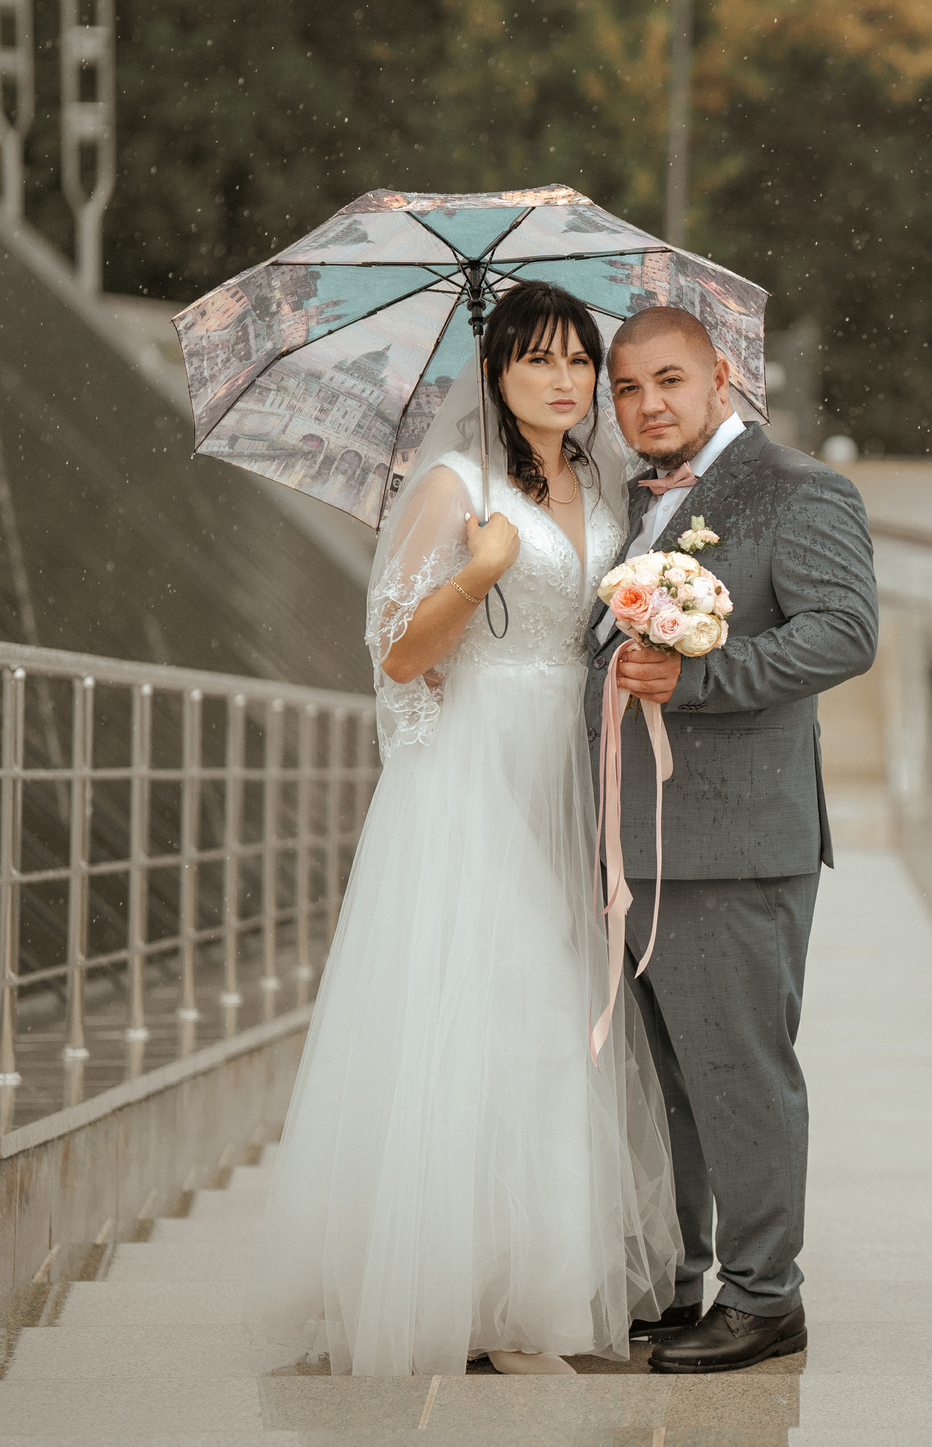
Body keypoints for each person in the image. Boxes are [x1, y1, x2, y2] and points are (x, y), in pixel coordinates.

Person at [253, 282, 678, 1377]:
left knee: (569, 1016)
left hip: (577, 765)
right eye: (538, 360)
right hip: (480, 762)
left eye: (581, 362)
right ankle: (464, 1287)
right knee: (504, 1004)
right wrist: (481, 571)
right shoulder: (459, 486)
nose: (567, 381)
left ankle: (525, 1273)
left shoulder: (606, 484)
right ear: (494, 375)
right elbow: (397, 651)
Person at [586, 304, 878, 1374]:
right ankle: (678, 1280)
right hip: (639, 839)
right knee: (669, 1083)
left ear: (722, 377)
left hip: (737, 839)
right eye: (627, 389)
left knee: (740, 1073)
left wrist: (701, 678)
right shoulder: (628, 504)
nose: (646, 405)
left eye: (667, 381)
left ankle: (766, 1298)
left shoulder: (799, 488)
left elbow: (844, 633)